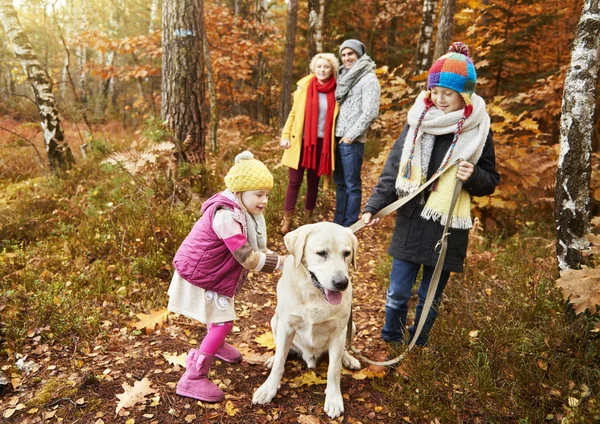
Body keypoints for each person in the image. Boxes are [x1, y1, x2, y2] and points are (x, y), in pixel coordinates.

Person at [361, 42, 500, 348]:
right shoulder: (417, 124)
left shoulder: (478, 131)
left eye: (447, 93)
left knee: (430, 295)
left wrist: (474, 176)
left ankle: (417, 346)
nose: (439, 99)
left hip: (447, 227)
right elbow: (393, 170)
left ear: (464, 95)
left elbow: (491, 180)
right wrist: (373, 207)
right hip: (411, 220)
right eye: (434, 91)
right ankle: (391, 341)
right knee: (398, 290)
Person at [168, 151, 286, 402]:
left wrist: (275, 256)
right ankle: (193, 376)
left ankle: (216, 345)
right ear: (241, 191)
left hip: (212, 272)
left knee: (218, 319)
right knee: (224, 323)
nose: (264, 201)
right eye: (258, 194)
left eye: (267, 195)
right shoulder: (226, 216)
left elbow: (257, 248)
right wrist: (281, 264)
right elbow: (248, 257)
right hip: (203, 275)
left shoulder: (243, 210)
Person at [279, 53, 341, 235]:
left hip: (322, 144)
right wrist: (285, 135)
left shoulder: (337, 91)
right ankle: (287, 220)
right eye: (319, 66)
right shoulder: (304, 88)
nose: (322, 70)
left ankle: (308, 218)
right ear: (313, 68)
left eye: (326, 67)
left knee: (313, 182)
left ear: (332, 70)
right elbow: (293, 114)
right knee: (294, 182)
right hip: (301, 142)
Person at [333, 39, 381, 227]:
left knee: (352, 185)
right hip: (337, 138)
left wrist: (350, 137)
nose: (346, 58)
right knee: (340, 183)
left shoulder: (368, 79)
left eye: (350, 54)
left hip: (351, 141)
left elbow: (370, 112)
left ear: (359, 54)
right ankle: (338, 222)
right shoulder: (344, 77)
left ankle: (350, 224)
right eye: (343, 55)